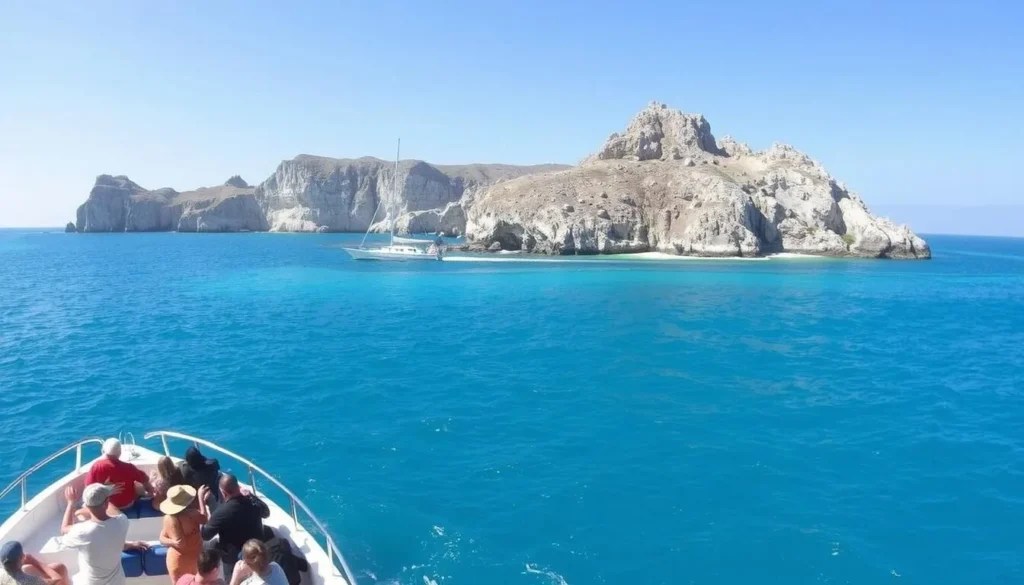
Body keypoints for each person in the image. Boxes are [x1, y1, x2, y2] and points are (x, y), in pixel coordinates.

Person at [60, 484, 148, 585]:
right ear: (106, 503)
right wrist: (129, 544)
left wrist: (70, 503)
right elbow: (109, 537)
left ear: (86, 506)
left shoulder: (82, 532)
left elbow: (64, 529)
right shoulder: (122, 521)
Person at [200, 475, 269, 578]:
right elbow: (266, 513)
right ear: (238, 487)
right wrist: (250, 495)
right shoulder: (252, 501)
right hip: (256, 550)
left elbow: (205, 535)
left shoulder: (221, 513)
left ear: (224, 493)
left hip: (234, 558)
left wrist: (201, 501)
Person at [159, 485, 211, 584]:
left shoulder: (169, 518)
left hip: (178, 560)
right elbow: (204, 519)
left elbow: (164, 539)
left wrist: (171, 541)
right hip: (196, 558)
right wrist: (201, 499)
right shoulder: (193, 513)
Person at [85, 439, 154, 511]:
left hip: (107, 507)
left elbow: (88, 488)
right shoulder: (129, 467)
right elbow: (145, 480)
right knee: (137, 485)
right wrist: (150, 489)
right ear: (120, 453)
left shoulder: (96, 467)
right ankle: (148, 496)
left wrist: (105, 488)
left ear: (103, 451)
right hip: (127, 504)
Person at [0, 541, 68, 585]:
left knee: (27, 568)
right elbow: (58, 579)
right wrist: (35, 562)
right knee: (61, 568)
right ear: (21, 557)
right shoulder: (30, 581)